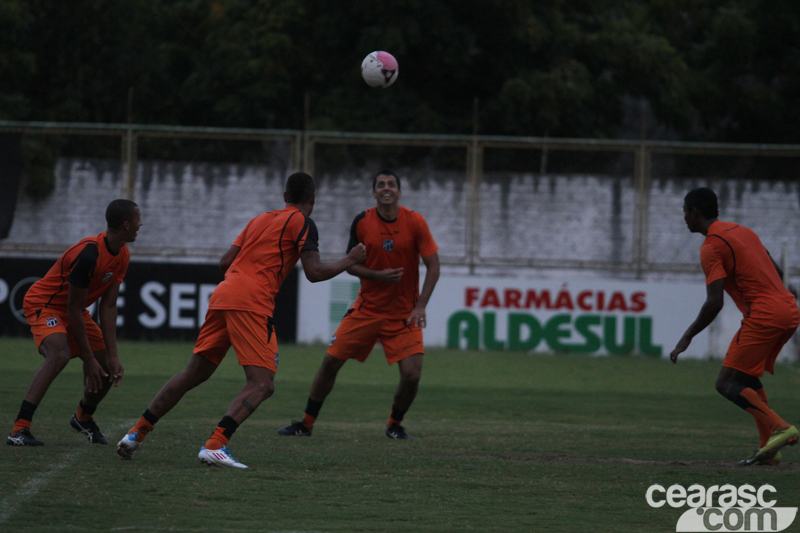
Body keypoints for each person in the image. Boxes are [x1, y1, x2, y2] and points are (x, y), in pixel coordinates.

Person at [116, 172, 366, 468]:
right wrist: (351, 259)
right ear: (313, 199)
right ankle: (216, 444)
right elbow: (314, 272)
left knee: (193, 373)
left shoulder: (259, 220)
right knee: (262, 384)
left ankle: (135, 434)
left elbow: (225, 262)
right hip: (252, 301)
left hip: (224, 294)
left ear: (284, 197)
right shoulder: (304, 223)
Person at [278, 169, 440, 440]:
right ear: (373, 193)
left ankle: (394, 425)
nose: (386, 188)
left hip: (403, 315)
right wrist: (376, 276)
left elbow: (433, 266)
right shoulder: (362, 222)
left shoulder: (416, 222)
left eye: (391, 184)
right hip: (367, 310)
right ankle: (306, 423)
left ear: (399, 192)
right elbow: (351, 265)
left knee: (412, 375)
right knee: (330, 362)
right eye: (380, 184)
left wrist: (421, 306)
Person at [670, 187, 799, 466]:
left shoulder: (711, 246)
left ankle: (782, 429)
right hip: (788, 309)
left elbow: (714, 303)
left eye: (684, 212)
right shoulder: (743, 231)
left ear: (694, 212)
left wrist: (686, 337)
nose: (684, 219)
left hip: (764, 314)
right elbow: (774, 269)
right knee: (747, 379)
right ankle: (769, 449)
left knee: (725, 382)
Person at [7, 199, 142, 447]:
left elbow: (108, 306)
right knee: (59, 354)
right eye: (138, 219)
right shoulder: (89, 254)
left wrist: (112, 355)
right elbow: (72, 309)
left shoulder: (122, 254)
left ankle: (83, 417)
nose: (140, 224)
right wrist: (88, 359)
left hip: (76, 311)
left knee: (108, 370)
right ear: (126, 224)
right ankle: (20, 429)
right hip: (45, 305)